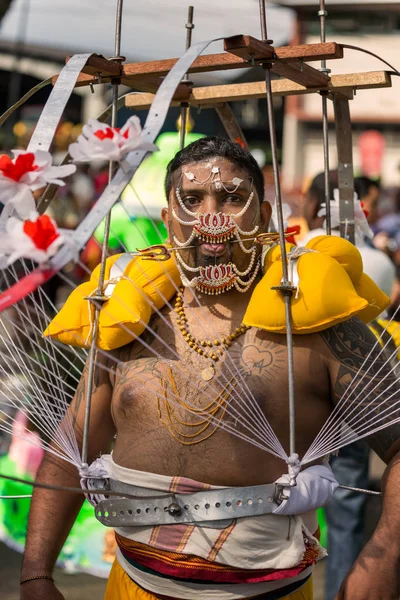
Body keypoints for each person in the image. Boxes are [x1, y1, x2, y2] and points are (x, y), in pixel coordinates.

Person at [20, 138, 400, 600]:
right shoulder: (130, 317)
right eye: (192, 200)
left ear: (262, 216)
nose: (211, 218)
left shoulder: (317, 319)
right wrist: (36, 574)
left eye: (232, 198)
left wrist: (380, 561)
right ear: (168, 220)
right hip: (133, 585)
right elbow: (68, 450)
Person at [301, 170, 396, 600]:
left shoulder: (291, 257)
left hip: (298, 401)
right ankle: (340, 587)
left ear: (312, 204)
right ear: (357, 207)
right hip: (358, 397)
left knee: (287, 499)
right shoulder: (376, 261)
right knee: (347, 505)